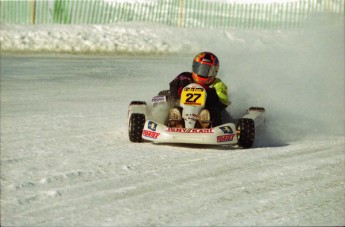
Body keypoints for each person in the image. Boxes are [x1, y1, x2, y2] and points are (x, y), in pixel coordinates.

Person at [167, 51, 230, 128]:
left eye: (208, 70)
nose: (203, 72)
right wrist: (176, 99)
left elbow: (223, 102)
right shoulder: (184, 77)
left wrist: (209, 95)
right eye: (200, 68)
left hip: (205, 112)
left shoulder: (218, 84)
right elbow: (173, 86)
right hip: (183, 109)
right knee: (172, 108)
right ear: (194, 67)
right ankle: (175, 122)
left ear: (214, 71)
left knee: (213, 112)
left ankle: (205, 124)